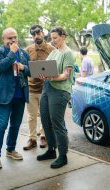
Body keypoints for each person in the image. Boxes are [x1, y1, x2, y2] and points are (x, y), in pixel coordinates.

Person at [0, 28, 30, 169]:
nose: (13, 40)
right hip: (4, 96)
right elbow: (1, 67)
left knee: (15, 125)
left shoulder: (24, 53)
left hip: (20, 96)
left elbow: (31, 69)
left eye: (15, 37)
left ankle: (11, 149)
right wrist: (12, 53)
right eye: (10, 38)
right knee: (1, 125)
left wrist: (23, 67)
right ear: (3, 39)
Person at [37, 26, 75, 169]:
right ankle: (51, 150)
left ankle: (63, 155)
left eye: (55, 38)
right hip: (48, 88)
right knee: (45, 120)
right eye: (51, 38)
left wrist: (50, 76)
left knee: (57, 122)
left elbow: (66, 75)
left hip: (60, 91)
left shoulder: (68, 53)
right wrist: (42, 74)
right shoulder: (54, 52)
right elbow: (45, 67)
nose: (52, 41)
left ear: (63, 37)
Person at [23, 25, 55, 150]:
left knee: (44, 115)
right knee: (31, 116)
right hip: (31, 88)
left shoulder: (51, 49)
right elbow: (25, 68)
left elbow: (56, 67)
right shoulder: (28, 49)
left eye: (38, 33)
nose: (36, 36)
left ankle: (43, 137)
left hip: (45, 88)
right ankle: (32, 139)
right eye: (33, 34)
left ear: (43, 33)